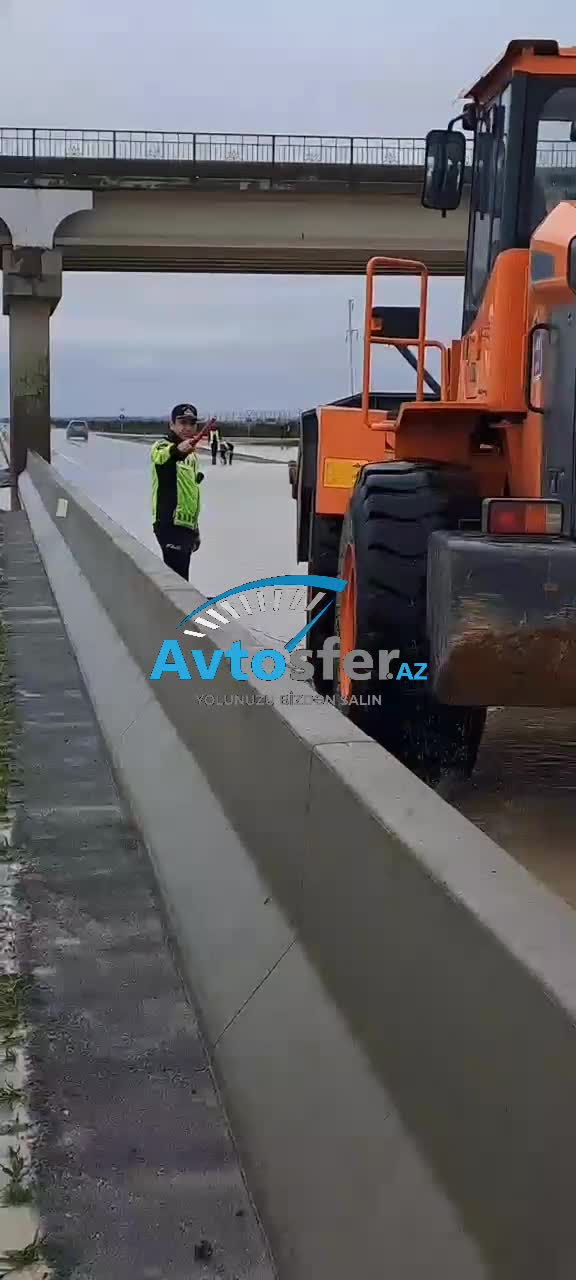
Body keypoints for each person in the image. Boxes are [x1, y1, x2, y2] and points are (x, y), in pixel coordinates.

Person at [151, 404, 214, 580]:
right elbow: (162, 457)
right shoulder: (161, 446)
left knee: (181, 579)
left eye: (192, 423)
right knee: (177, 581)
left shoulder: (192, 455)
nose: (188, 427)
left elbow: (190, 493)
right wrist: (177, 450)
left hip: (186, 527)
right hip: (169, 524)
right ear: (171, 424)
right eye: (182, 423)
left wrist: (195, 529)